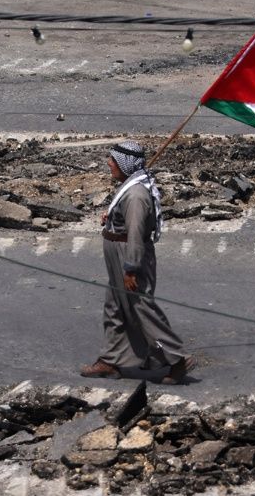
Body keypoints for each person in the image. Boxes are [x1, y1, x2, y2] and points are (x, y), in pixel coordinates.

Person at [81, 140, 192, 385]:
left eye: (113, 159)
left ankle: (176, 357)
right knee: (115, 308)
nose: (109, 163)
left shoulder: (135, 195)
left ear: (124, 163)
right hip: (118, 256)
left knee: (141, 310)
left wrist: (130, 269)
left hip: (128, 259)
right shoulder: (130, 187)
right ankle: (110, 361)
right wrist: (111, 217)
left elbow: (135, 233)